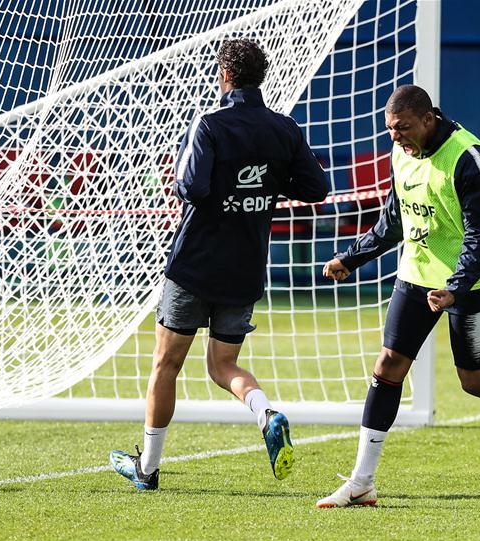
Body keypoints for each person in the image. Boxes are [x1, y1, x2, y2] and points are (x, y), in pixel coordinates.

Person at [316, 85, 480, 508]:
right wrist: (352, 257)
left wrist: (455, 288)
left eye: (402, 128)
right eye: (390, 129)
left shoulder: (470, 157)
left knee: (475, 380)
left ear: (428, 118)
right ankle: (362, 482)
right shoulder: (401, 152)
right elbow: (394, 221)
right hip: (417, 275)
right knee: (388, 364)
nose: (395, 137)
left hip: (469, 282)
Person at [110, 39, 329, 490]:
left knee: (166, 365)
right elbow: (315, 188)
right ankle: (266, 413)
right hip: (245, 267)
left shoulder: (209, 124)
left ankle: (147, 468)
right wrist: (266, 182)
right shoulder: (285, 129)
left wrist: (224, 182)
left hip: (195, 265)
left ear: (225, 75)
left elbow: (191, 188)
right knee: (223, 366)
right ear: (260, 77)